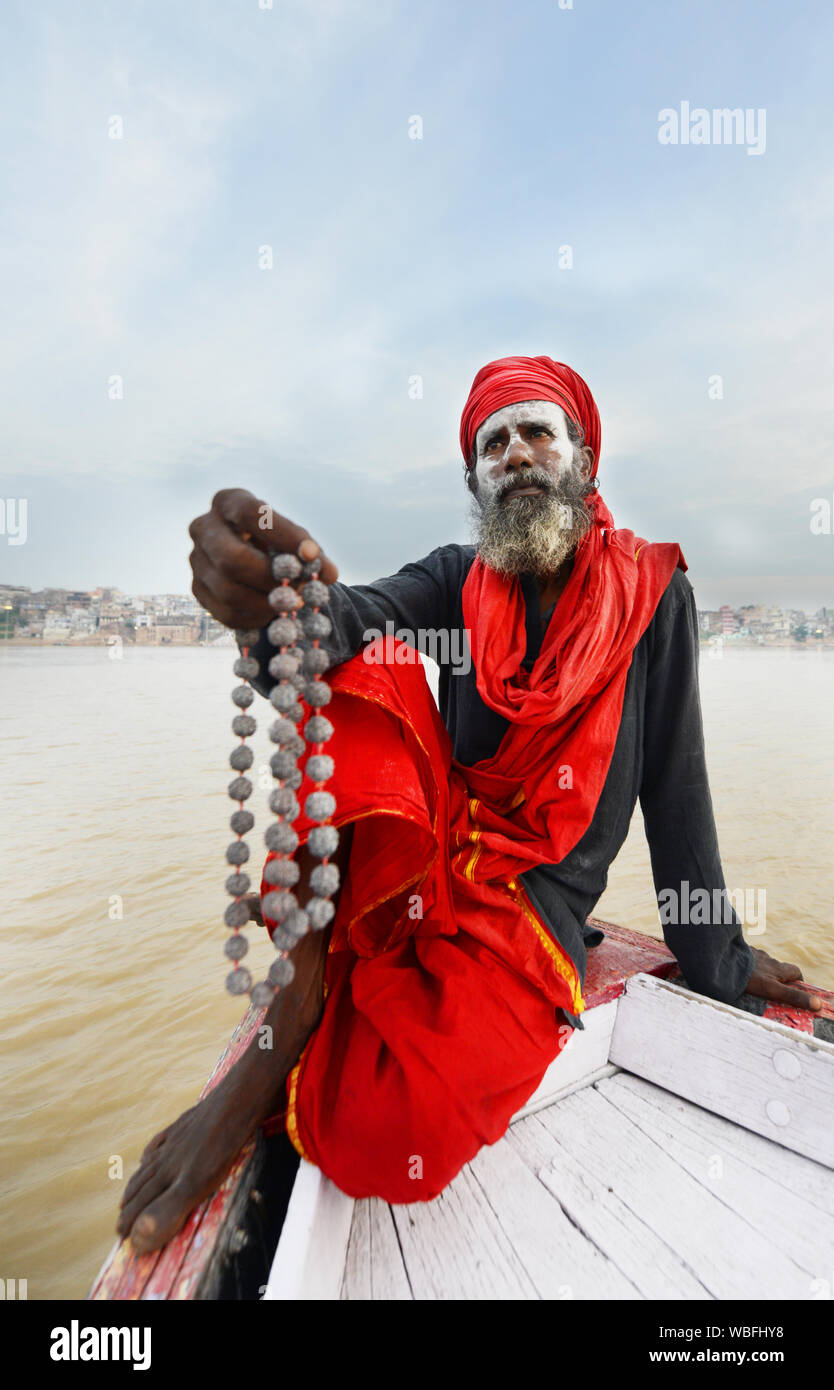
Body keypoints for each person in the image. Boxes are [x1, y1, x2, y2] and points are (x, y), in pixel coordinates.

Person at [118, 355, 821, 1256]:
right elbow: (353, 614)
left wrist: (715, 953)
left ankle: (330, 986)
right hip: (432, 854)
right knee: (355, 670)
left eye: (538, 432)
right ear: (476, 480)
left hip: (534, 904)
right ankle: (287, 1021)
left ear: (584, 460)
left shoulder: (655, 594)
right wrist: (281, 609)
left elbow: (678, 788)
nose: (517, 453)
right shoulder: (458, 578)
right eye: (495, 443)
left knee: (392, 1133)